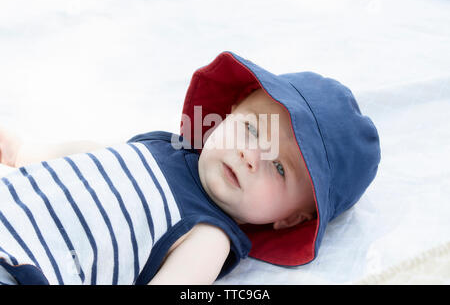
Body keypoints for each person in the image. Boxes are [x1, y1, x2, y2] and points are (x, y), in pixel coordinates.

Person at [0, 51, 380, 285]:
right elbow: (97, 156)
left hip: (27, 267)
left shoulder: (209, 235)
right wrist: (25, 151)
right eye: (251, 129)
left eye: (280, 168)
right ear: (229, 113)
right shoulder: (162, 144)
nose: (252, 155)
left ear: (291, 220)